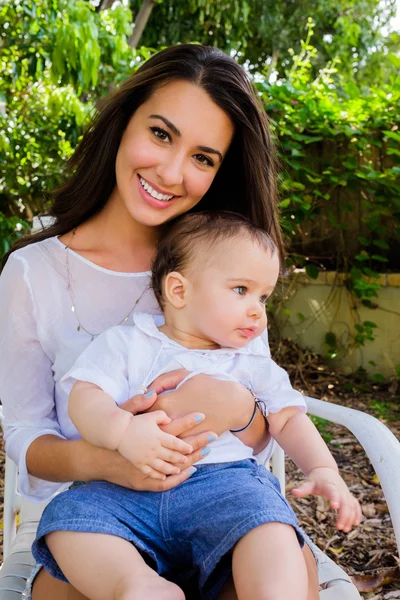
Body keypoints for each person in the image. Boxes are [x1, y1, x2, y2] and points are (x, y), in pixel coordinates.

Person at [0, 44, 356, 600]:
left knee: (272, 567)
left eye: (204, 158)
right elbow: (26, 433)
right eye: (162, 134)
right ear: (124, 122)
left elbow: (267, 414)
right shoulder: (32, 273)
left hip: (223, 502)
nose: (171, 172)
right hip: (108, 508)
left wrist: (234, 408)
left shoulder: (226, 264)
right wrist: (113, 456)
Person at [31, 211, 362, 600]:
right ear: (179, 290)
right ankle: (136, 586)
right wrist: (122, 432)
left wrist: (323, 469)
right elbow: (86, 398)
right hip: (123, 489)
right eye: (241, 290)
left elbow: (288, 419)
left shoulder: (251, 364)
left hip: (227, 487)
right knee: (71, 520)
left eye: (264, 296)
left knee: (267, 525)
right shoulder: (127, 342)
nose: (257, 309)